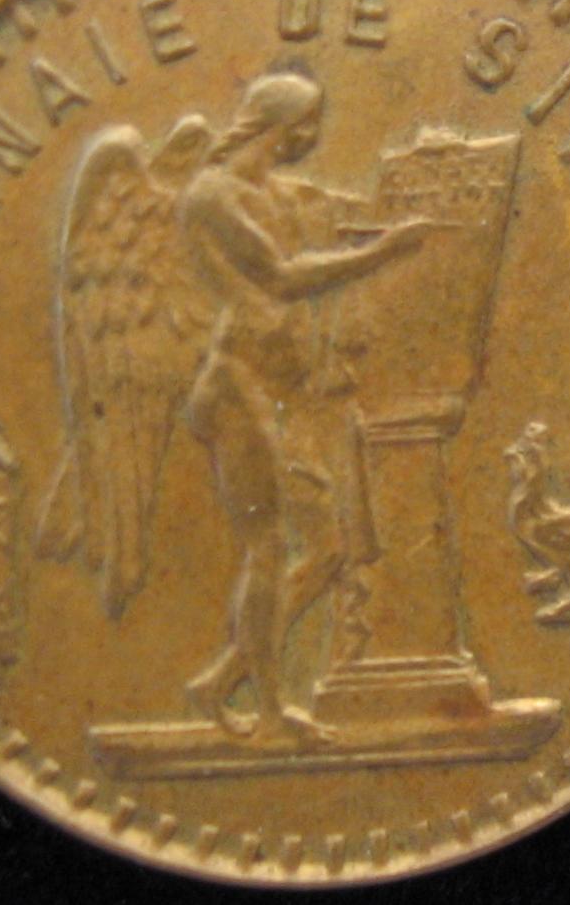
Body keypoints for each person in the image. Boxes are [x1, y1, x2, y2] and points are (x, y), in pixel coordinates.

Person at [176, 72, 434, 744]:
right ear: (280, 123)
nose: (312, 138)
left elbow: (313, 221)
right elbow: (280, 278)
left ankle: (222, 678)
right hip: (237, 387)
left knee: (327, 548)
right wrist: (382, 251)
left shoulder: (269, 192)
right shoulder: (210, 194)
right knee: (266, 548)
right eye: (307, 123)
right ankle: (269, 712)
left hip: (283, 391)